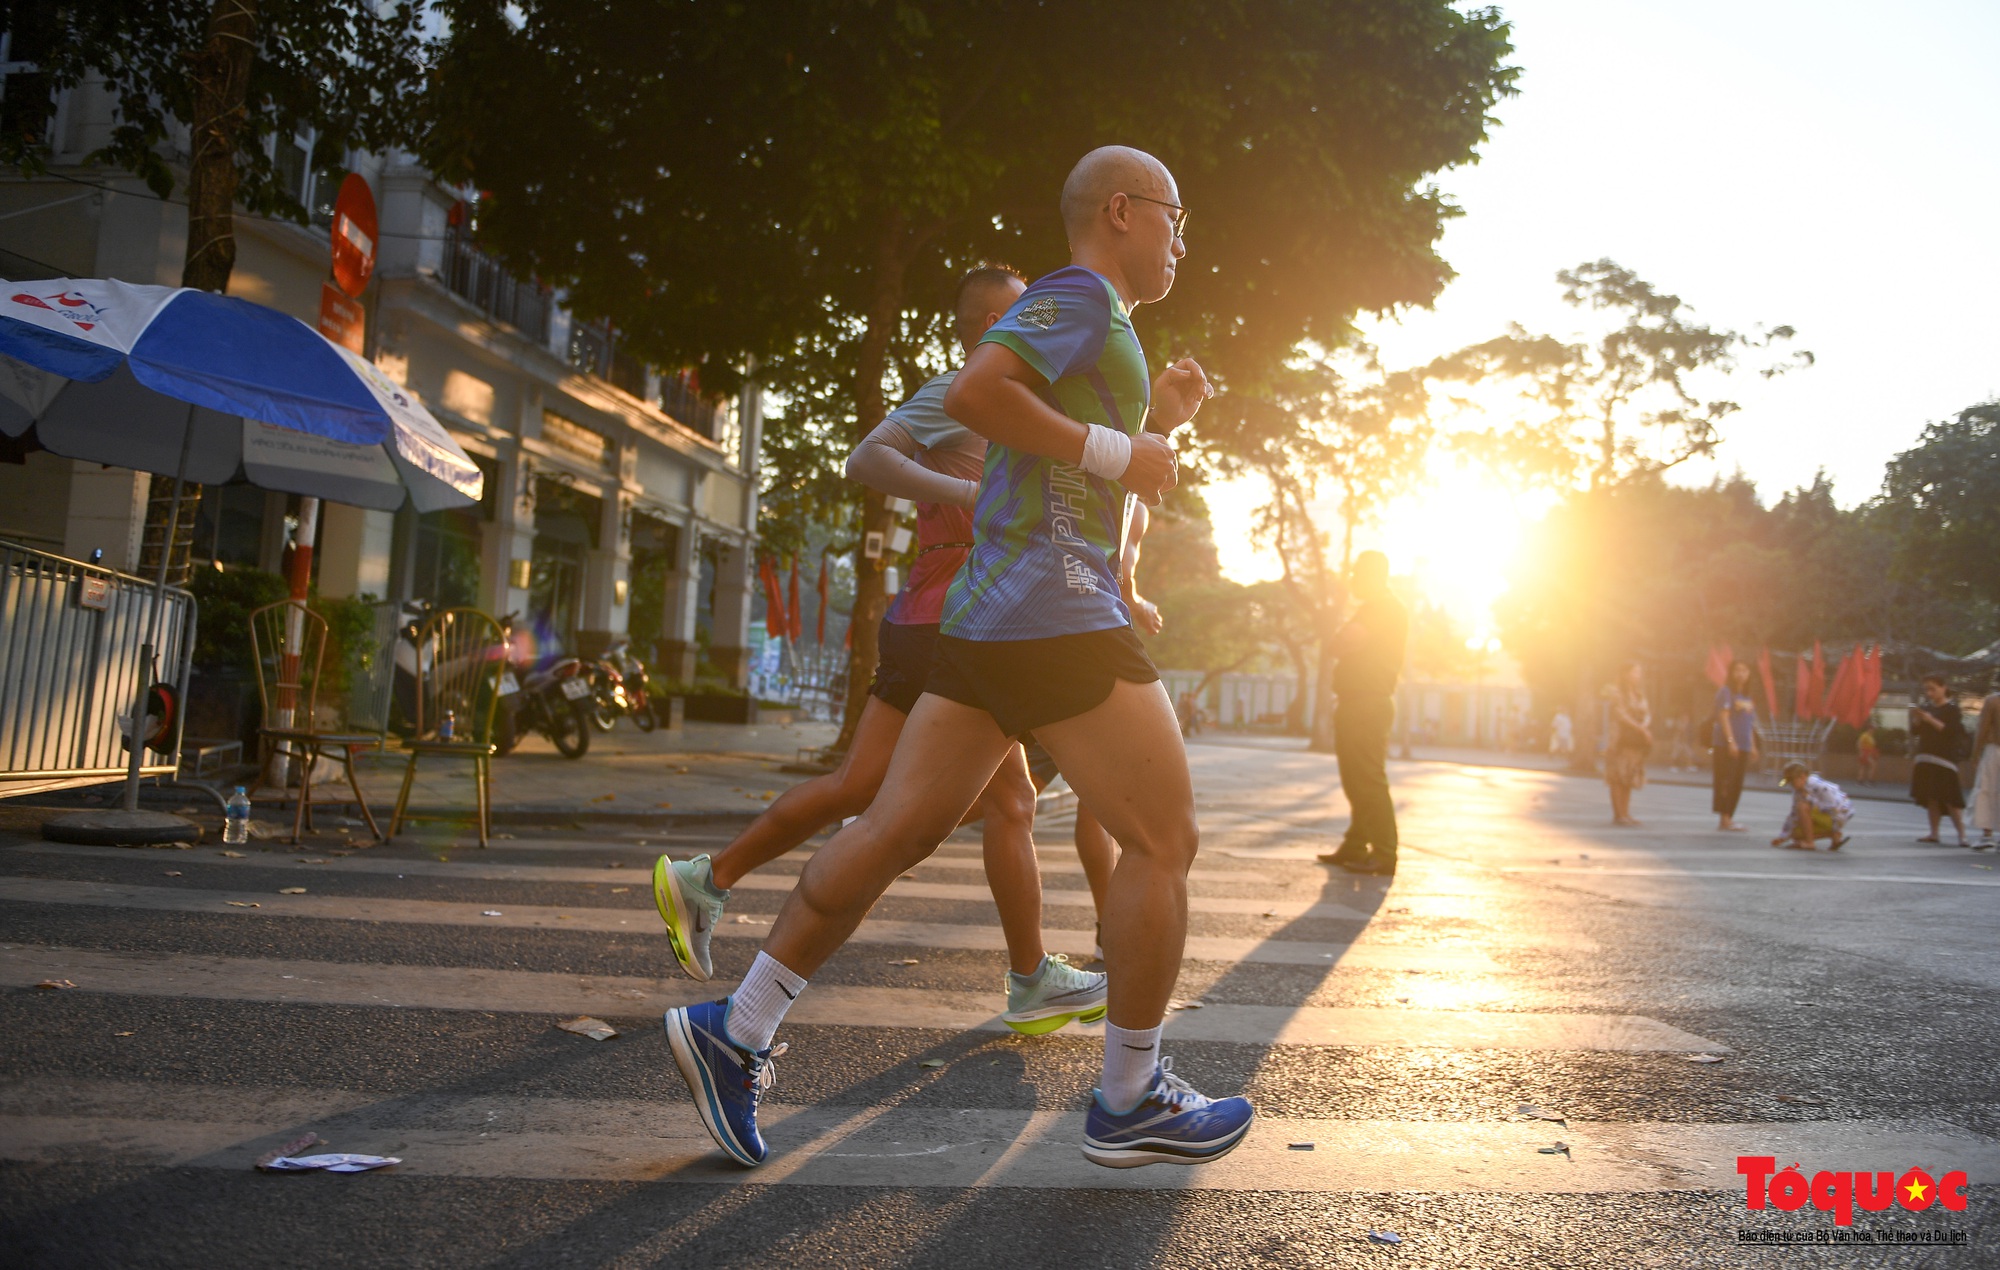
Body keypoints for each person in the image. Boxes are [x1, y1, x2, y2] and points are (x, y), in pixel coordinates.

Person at [661, 145, 1254, 1170]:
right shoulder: (1079, 295)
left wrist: (1151, 427)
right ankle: (1127, 1092)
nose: (1182, 239)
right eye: (1174, 216)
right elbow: (982, 395)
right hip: (1053, 613)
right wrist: (1123, 451)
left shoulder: (1098, 326)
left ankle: (738, 1025)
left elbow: (1043, 442)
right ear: (1120, 211)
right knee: (1162, 841)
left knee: (890, 824)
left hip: (990, 616)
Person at [651, 264, 1107, 1037]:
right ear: (982, 324)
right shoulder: (962, 389)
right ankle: (1028, 979)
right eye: (1016, 313)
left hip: (948, 616)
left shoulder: (1016, 397)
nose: (1036, 324)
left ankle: (709, 879)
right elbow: (866, 459)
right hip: (950, 620)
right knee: (970, 809)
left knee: (889, 787)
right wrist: (970, 497)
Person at [1317, 551, 1409, 876]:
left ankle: (1385, 853)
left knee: (1367, 778)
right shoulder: (1374, 609)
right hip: (1359, 701)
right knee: (1356, 778)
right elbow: (1342, 643)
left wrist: (1340, 639)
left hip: (1367, 703)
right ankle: (1356, 844)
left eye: (1358, 573)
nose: (1353, 579)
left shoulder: (1381, 609)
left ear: (1373, 575)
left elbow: (1341, 643)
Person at [1910, 674, 1970, 847]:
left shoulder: (1952, 709)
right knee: (1932, 797)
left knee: (1950, 797)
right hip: (1926, 755)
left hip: (1944, 758)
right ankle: (1934, 833)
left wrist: (1929, 719)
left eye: (1933, 689)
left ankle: (1962, 835)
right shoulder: (1927, 707)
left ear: (1943, 687)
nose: (1929, 693)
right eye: (1927, 689)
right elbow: (1916, 732)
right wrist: (1917, 719)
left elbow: (1951, 731)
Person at [1711, 659, 1760, 832]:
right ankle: (1724, 819)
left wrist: (1752, 745)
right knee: (1726, 781)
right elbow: (1723, 717)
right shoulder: (1726, 692)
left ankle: (1729, 818)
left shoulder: (1747, 696)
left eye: (1745, 670)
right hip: (1726, 746)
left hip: (1744, 746)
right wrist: (1731, 742)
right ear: (1731, 673)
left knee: (1737, 783)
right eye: (1737, 670)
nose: (1741, 674)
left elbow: (1750, 723)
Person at [1603, 662, 1652, 828]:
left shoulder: (1639, 694)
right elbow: (1620, 714)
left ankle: (1626, 813)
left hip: (1635, 741)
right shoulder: (1617, 693)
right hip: (1620, 739)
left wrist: (1644, 726)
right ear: (1625, 674)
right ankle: (1618, 815)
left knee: (1629, 776)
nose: (1638, 675)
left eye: (1639, 672)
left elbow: (1647, 713)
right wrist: (1639, 728)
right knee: (1617, 776)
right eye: (1635, 672)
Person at [1770, 760, 1852, 851]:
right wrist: (1783, 837)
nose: (1791, 785)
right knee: (1795, 834)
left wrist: (1809, 800)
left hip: (1838, 815)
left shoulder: (1819, 786)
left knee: (1802, 806)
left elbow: (1833, 806)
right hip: (1825, 816)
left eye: (1792, 782)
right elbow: (1793, 814)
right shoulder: (1798, 791)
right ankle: (1833, 835)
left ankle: (1810, 842)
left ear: (1803, 777)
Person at [1969, 694, 2000, 849]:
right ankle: (1987, 834)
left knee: (1987, 790)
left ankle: (1987, 835)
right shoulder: (1993, 701)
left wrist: (1975, 754)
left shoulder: (1993, 701)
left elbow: (1982, 729)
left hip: (1994, 750)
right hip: (1994, 749)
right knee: (1987, 790)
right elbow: (1983, 728)